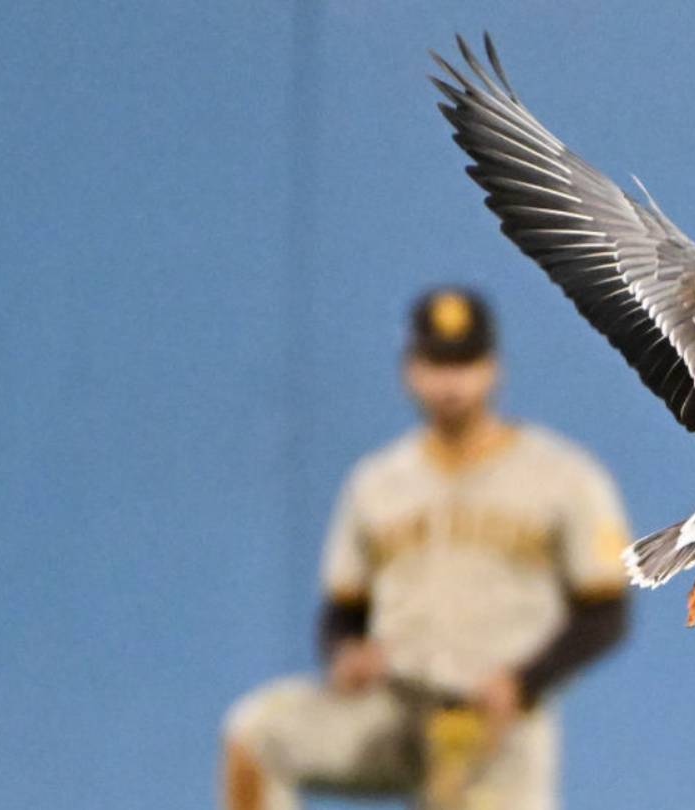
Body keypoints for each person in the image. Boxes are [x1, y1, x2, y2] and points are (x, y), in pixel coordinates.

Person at [222, 287, 631, 810]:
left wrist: (524, 683)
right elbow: (342, 612)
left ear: (493, 369)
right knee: (258, 733)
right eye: (437, 364)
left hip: (498, 721)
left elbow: (605, 614)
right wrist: (345, 653)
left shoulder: (564, 477)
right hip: (395, 704)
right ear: (410, 371)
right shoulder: (375, 482)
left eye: (465, 363)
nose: (451, 382)